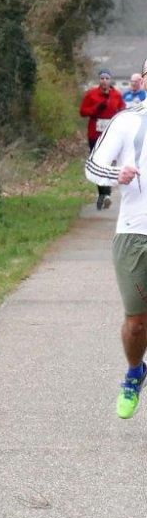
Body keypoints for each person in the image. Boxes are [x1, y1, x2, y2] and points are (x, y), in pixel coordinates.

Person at [85, 56, 147, 419]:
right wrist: (116, 174)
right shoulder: (127, 121)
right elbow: (93, 166)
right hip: (135, 233)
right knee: (137, 324)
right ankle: (135, 371)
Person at [80, 69, 125, 209]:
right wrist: (96, 108)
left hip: (111, 134)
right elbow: (83, 112)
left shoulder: (117, 95)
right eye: (102, 78)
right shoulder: (91, 94)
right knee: (98, 163)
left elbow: (123, 111)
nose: (104, 81)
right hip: (95, 134)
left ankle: (106, 194)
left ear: (110, 80)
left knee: (109, 162)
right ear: (99, 80)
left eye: (106, 78)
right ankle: (102, 194)